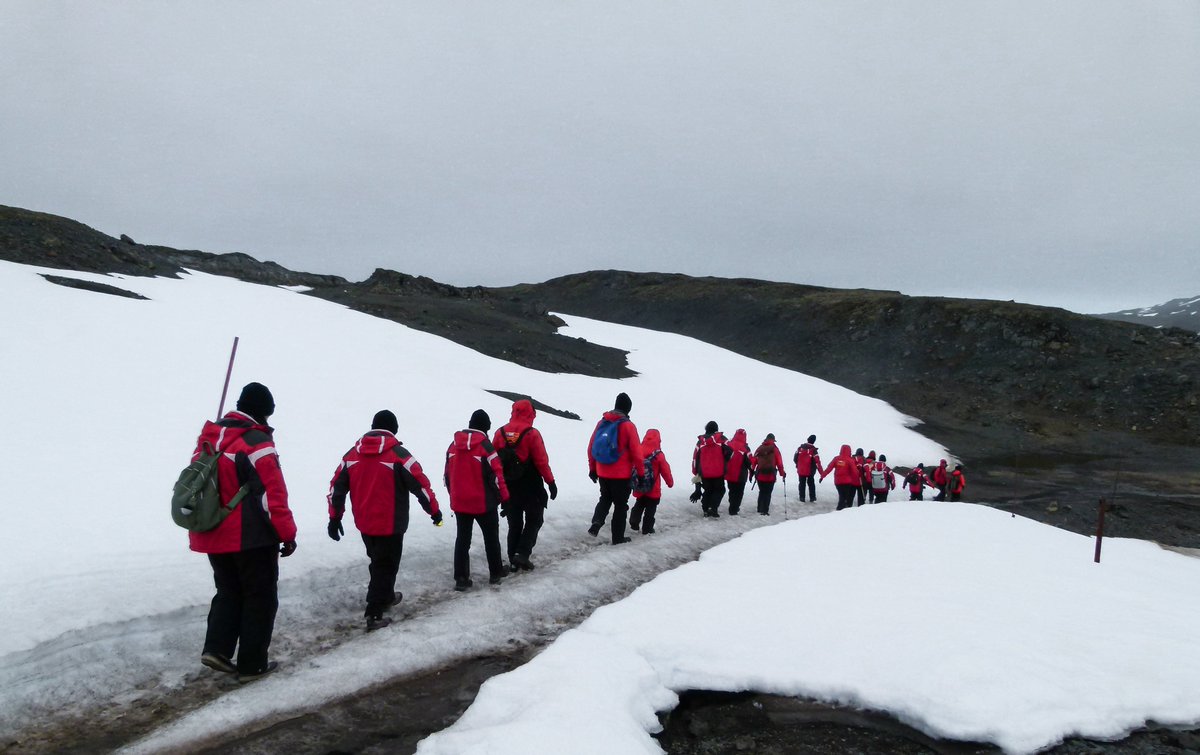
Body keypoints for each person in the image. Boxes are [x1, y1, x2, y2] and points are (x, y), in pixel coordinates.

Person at [190, 382, 296, 683]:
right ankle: (252, 664)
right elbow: (272, 495)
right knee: (259, 597)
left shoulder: (208, 439)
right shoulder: (256, 442)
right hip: (250, 537)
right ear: (264, 412)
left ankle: (217, 649)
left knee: (228, 591)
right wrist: (286, 533)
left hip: (211, 531)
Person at [326, 410, 443, 630]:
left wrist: (335, 518)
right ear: (394, 430)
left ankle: (386, 595)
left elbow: (336, 488)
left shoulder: (351, 455)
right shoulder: (399, 455)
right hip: (391, 524)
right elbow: (421, 485)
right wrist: (434, 512)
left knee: (378, 561)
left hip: (365, 523)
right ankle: (374, 612)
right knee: (386, 565)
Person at [444, 409, 509, 591]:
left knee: (462, 540)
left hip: (460, 502)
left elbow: (447, 475)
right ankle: (495, 573)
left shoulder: (453, 445)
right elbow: (497, 476)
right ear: (487, 427)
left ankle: (461, 578)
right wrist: (504, 498)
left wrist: (454, 494)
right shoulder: (486, 447)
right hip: (483, 502)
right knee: (491, 537)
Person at [493, 399, 558, 571]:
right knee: (534, 519)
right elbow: (541, 461)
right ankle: (522, 554)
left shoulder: (500, 433)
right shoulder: (532, 433)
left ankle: (513, 556)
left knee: (514, 523)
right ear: (530, 414)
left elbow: (493, 462)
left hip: (508, 486)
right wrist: (551, 482)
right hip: (531, 485)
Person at [586, 393, 645, 544]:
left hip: (602, 471)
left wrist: (592, 468)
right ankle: (617, 538)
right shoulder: (628, 426)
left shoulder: (602, 422)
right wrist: (641, 473)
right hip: (621, 475)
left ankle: (597, 522)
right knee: (620, 506)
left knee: (604, 498)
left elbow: (591, 446)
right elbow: (637, 453)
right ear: (628, 409)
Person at [629, 429, 674, 534]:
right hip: (653, 487)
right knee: (650, 509)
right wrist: (670, 482)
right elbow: (665, 470)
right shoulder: (658, 454)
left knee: (639, 503)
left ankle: (634, 520)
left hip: (639, 483)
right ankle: (647, 528)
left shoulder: (638, 450)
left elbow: (631, 465)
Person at [690, 421, 731, 518]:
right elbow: (730, 451)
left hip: (704, 472)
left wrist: (695, 471)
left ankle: (706, 509)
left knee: (708, 490)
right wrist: (724, 460)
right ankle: (713, 508)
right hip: (718, 471)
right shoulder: (722, 439)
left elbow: (695, 457)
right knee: (719, 490)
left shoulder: (700, 441)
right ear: (716, 429)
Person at [819, 444, 861, 511]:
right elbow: (855, 472)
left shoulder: (836, 459)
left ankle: (841, 510)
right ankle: (840, 511)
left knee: (842, 496)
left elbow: (829, 468)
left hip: (838, 482)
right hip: (847, 482)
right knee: (844, 498)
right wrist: (858, 476)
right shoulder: (850, 460)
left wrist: (822, 476)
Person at [751, 433, 786, 515]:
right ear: (773, 440)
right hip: (770, 476)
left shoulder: (759, 448)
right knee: (767, 493)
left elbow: (753, 462)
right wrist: (782, 473)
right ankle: (765, 510)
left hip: (760, 475)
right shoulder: (775, 449)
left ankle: (759, 508)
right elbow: (779, 463)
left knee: (762, 491)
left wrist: (751, 473)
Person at [724, 428, 753, 515]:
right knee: (739, 493)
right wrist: (752, 471)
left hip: (729, 474)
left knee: (732, 491)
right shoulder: (745, 448)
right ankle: (734, 509)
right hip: (741, 475)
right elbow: (750, 462)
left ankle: (732, 505)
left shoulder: (728, 444)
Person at [793, 435, 821, 502]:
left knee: (802, 483)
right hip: (810, 471)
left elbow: (795, 458)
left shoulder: (800, 448)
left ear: (807, 439)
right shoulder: (813, 450)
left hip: (801, 469)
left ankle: (802, 498)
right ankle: (812, 498)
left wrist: (798, 464)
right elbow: (817, 461)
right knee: (811, 483)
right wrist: (821, 472)